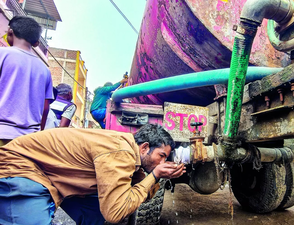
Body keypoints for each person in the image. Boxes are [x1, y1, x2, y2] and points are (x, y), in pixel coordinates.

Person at [0, 124, 185, 225]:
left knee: (97, 213)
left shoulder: (131, 155)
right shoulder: (121, 152)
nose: (162, 162)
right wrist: (154, 176)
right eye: (161, 156)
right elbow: (115, 212)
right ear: (145, 147)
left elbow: (134, 197)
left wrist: (157, 176)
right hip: (22, 167)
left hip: (54, 176)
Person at [0, 16, 53, 146]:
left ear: (10, 32)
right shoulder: (45, 70)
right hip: (29, 140)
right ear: (36, 43)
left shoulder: (3, 54)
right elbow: (45, 108)